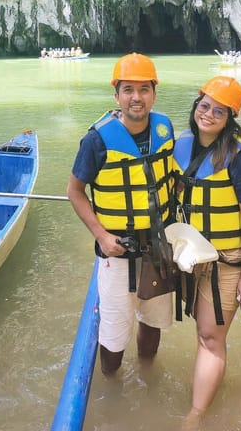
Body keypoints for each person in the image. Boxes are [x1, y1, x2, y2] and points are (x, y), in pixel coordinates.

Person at [67, 52, 175, 375]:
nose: (136, 98)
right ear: (117, 95)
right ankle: (113, 389)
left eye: (144, 89)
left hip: (157, 247)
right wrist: (101, 235)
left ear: (154, 93)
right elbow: (74, 192)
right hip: (118, 251)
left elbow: (175, 178)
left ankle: (147, 379)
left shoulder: (165, 129)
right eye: (128, 89)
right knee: (113, 336)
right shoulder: (96, 141)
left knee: (153, 323)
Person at [172, 75, 241, 427]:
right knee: (202, 332)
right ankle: (205, 390)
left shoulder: (240, 160)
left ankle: (195, 416)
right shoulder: (180, 145)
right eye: (205, 105)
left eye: (219, 111)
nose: (208, 114)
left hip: (225, 262)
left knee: (211, 338)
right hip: (190, 256)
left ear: (230, 119)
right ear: (196, 106)